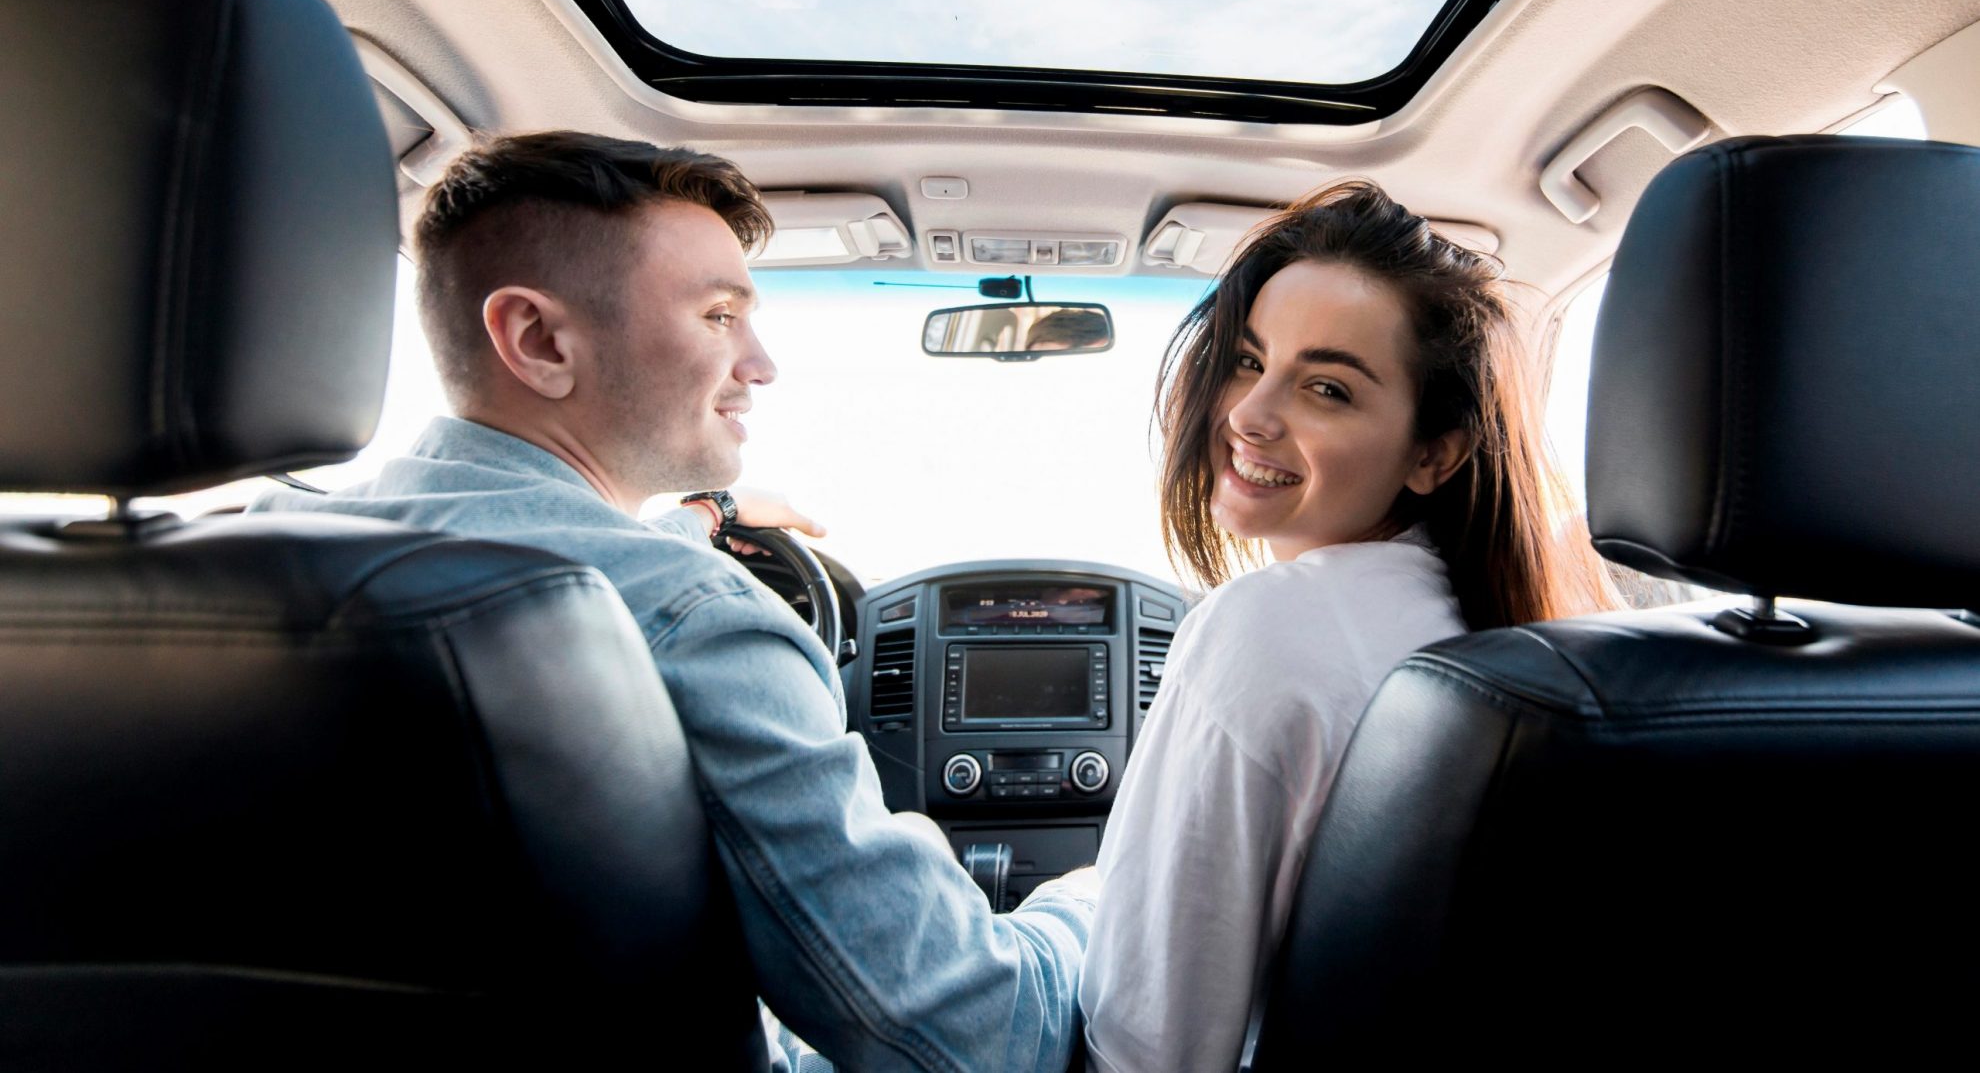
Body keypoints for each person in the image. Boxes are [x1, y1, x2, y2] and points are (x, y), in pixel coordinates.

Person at [252, 131, 1096, 1073]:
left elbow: (567, 545)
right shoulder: (701, 624)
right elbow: (974, 1040)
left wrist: (706, 516)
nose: (762, 364)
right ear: (538, 339)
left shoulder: (250, 548)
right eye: (719, 316)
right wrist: (1093, 902)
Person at [1079, 181, 1614, 1073]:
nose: (1248, 414)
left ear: (1433, 453)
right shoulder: (1525, 634)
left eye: (1326, 387)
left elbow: (1152, 1042)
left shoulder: (1260, 630)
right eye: (1249, 360)